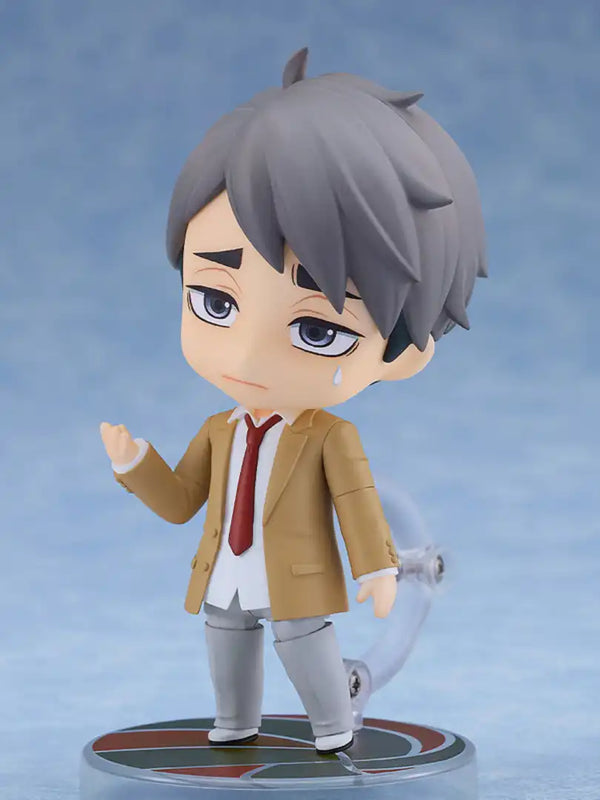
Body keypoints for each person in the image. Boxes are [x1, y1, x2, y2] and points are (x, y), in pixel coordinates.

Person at [100, 47, 486, 755]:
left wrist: (378, 568)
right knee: (225, 638)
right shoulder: (220, 428)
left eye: (317, 330)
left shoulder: (329, 437)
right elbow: (183, 500)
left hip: (298, 583)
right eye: (215, 302)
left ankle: (333, 725)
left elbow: (357, 503)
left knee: (303, 644)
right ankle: (235, 722)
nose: (248, 358)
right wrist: (135, 466)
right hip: (224, 574)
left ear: (402, 353)